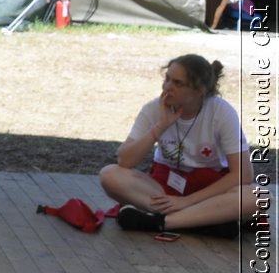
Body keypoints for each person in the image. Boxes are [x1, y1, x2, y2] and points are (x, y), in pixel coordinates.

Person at [100, 55, 258, 234]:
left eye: (177, 83)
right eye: (167, 79)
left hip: (210, 192)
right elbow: (124, 161)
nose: (167, 87)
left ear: (200, 90)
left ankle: (163, 222)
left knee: (255, 197)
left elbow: (243, 175)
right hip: (165, 188)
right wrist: (160, 127)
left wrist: (187, 201)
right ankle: (203, 221)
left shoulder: (221, 111)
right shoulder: (154, 108)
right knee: (109, 175)